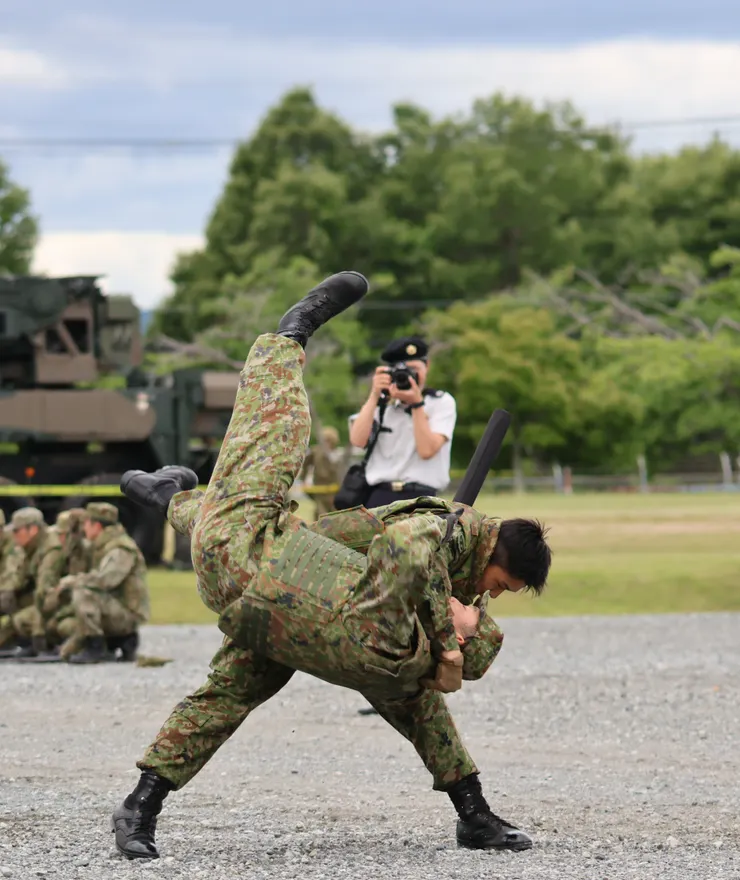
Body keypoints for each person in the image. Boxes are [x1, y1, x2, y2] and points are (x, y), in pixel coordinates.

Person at [112, 271, 552, 861]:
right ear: (493, 552)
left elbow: (429, 717)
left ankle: (140, 804)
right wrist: (449, 632)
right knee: (285, 432)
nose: (488, 599)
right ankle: (291, 334)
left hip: (270, 601)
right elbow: (398, 547)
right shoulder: (438, 547)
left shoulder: (400, 652)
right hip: (250, 553)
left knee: (224, 698)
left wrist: (471, 804)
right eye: (499, 586)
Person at [347, 336, 456, 508]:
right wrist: (374, 395)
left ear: (427, 366)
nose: (408, 376)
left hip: (422, 497)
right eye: (401, 371)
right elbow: (358, 441)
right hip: (379, 495)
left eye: (413, 369)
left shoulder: (440, 403)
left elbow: (427, 450)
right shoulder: (382, 404)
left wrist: (417, 404)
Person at [59, 502, 149, 664]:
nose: (84, 529)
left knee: (83, 592)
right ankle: (116, 641)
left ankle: (95, 646)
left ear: (97, 526)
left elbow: (106, 580)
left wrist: (73, 581)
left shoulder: (120, 548)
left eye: (86, 524)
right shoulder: (102, 545)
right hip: (116, 608)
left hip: (127, 615)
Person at [0, 507, 66, 658]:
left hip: (61, 601)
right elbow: (17, 579)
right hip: (46, 600)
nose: (14, 535)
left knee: (22, 618)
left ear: (33, 530)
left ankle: (44, 644)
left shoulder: (51, 548)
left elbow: (44, 590)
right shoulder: (29, 548)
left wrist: (38, 636)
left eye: (18, 531)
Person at [300, 424, 344, 517]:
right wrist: (303, 479)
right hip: (319, 488)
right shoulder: (315, 451)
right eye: (325, 440)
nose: (326, 443)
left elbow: (340, 473)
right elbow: (305, 465)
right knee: (320, 513)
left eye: (329, 440)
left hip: (333, 490)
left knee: (334, 513)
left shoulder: (337, 454)